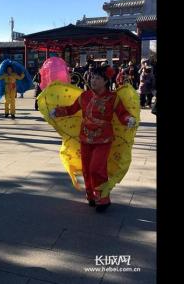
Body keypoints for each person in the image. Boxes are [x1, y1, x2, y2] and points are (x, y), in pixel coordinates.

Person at [49, 66, 137, 212]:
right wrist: (57, 111)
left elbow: (122, 113)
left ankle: (103, 199)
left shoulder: (113, 98)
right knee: (86, 170)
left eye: (97, 78)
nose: (93, 80)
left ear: (105, 81)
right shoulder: (84, 96)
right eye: (92, 77)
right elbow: (71, 109)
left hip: (103, 139)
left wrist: (128, 119)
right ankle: (91, 196)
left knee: (97, 168)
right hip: (85, 137)